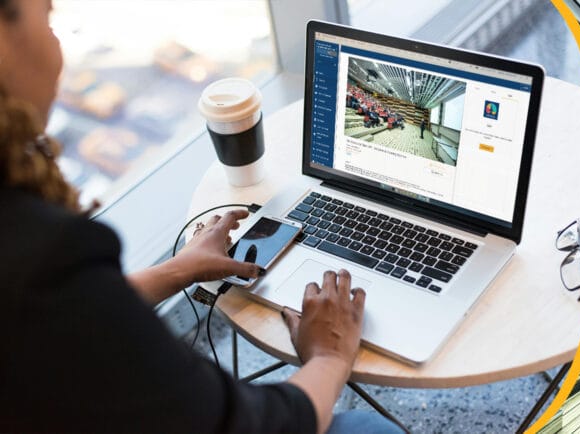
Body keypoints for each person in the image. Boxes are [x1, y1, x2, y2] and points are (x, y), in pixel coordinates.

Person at [0, 1, 399, 432]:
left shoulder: (35, 270)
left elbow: (58, 318)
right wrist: (330, 357)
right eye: (47, 14)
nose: (56, 37)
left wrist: (175, 271)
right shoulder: (45, 254)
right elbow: (247, 425)